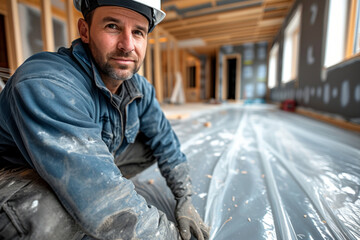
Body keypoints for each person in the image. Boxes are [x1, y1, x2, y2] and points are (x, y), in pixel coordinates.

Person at [0, 0, 210, 239]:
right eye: (112, 26)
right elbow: (104, 202)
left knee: (151, 145)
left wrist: (185, 198)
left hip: (82, 160)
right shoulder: (47, 83)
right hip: (15, 172)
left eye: (138, 32)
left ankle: (97, 175)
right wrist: (167, 235)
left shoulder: (139, 88)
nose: (127, 45)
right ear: (85, 31)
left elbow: (166, 141)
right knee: (43, 216)